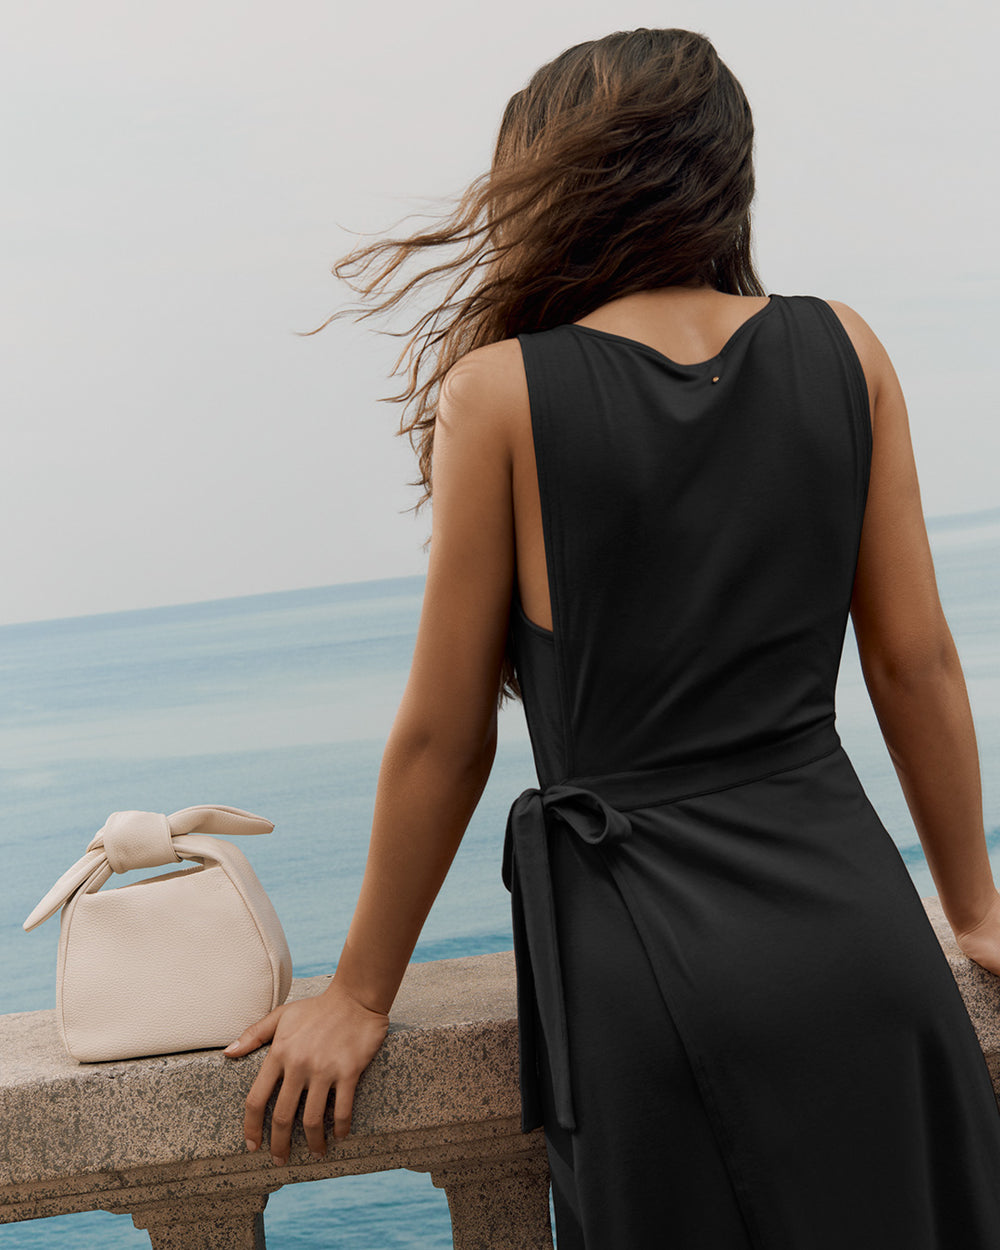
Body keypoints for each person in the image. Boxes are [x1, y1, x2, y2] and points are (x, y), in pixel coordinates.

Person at [222, 27, 1000, 1246]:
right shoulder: (846, 348)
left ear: (552, 184)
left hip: (644, 969)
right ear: (723, 174)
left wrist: (361, 987)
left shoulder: (500, 393)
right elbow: (915, 665)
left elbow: (443, 736)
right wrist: (978, 903)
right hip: (859, 950)